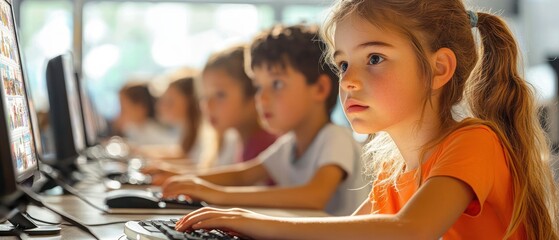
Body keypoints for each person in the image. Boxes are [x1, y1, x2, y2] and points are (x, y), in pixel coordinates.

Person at [173, 0, 559, 239]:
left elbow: (410, 231)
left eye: (374, 58)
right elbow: (344, 233)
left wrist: (250, 220)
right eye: (342, 64)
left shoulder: (474, 141)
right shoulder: (395, 170)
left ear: (439, 68)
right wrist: (244, 224)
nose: (349, 80)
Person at [162, 24, 363, 216]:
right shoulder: (289, 145)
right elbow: (243, 175)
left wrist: (220, 195)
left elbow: (315, 196)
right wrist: (181, 180)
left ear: (319, 89)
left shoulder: (335, 137)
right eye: (258, 86)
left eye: (276, 84)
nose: (261, 98)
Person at [145, 45, 278, 182]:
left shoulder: (263, 145)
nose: (207, 106)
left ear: (253, 94)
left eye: (220, 95)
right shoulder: (238, 140)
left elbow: (238, 183)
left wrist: (182, 178)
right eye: (204, 96)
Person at [112, 81, 176, 145]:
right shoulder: (131, 128)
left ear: (140, 107)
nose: (121, 112)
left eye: (124, 108)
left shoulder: (156, 132)